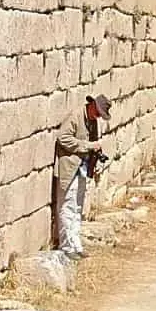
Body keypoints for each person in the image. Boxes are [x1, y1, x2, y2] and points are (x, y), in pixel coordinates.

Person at [54, 93, 111, 260]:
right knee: (67, 206)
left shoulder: (92, 121)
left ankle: (76, 244)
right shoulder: (76, 116)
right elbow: (62, 138)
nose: (98, 117)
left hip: (82, 168)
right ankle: (66, 246)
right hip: (70, 168)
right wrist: (87, 146)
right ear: (92, 105)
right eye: (98, 113)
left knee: (77, 207)